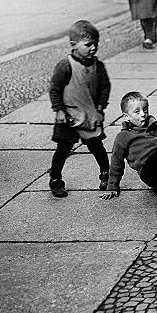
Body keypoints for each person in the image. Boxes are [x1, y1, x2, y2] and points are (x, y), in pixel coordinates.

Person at [48, 20, 111, 198]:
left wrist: (100, 109)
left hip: (89, 115)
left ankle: (106, 174)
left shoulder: (98, 66)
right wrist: (59, 110)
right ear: (73, 45)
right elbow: (55, 89)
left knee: (97, 146)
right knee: (63, 149)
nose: (93, 48)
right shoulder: (65, 65)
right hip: (68, 115)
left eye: (95, 44)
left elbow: (105, 87)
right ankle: (55, 179)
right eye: (88, 44)